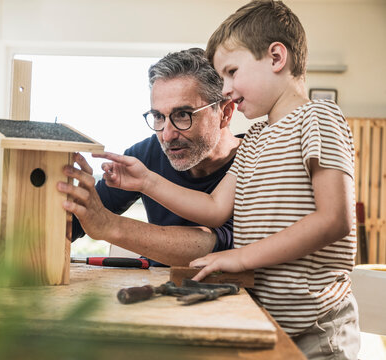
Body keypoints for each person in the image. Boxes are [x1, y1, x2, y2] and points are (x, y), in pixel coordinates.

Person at [95, 1, 359, 358]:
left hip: (318, 328)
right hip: (264, 317)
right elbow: (214, 208)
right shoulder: (256, 140)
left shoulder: (318, 119)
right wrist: (145, 182)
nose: (228, 89)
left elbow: (334, 220)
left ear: (276, 58)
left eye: (232, 72)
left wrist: (241, 256)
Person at [57, 48, 242, 266]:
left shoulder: (257, 158)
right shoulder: (145, 155)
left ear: (225, 113)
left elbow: (224, 246)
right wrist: (73, 198)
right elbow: (77, 223)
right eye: (158, 116)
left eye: (183, 115)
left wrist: (110, 225)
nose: (167, 135)